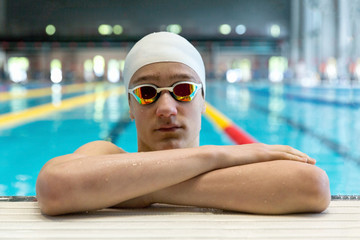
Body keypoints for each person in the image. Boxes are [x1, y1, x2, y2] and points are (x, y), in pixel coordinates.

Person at [36, 32, 330, 216]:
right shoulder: (106, 154)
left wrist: (138, 190)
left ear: (203, 100)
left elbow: (313, 185)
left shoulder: (108, 170)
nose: (166, 109)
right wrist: (217, 154)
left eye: (183, 90)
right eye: (146, 93)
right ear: (130, 106)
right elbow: (53, 187)